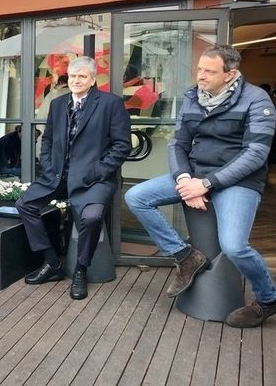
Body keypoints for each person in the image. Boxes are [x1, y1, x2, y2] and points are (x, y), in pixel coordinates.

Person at [125, 45, 276, 328]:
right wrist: (184, 179)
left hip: (238, 181)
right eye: (199, 69)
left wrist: (205, 184)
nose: (201, 76)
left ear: (230, 74)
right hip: (194, 175)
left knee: (234, 246)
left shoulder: (257, 99)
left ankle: (268, 299)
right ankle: (185, 256)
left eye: (209, 71)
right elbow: (178, 143)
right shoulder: (192, 96)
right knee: (136, 196)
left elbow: (256, 154)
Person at [16, 56, 131, 300]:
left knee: (91, 217)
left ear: (93, 79)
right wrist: (48, 166)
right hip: (58, 176)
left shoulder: (110, 103)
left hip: (94, 179)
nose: (76, 80)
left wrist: (98, 171)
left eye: (82, 76)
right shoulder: (58, 104)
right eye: (72, 76)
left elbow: (122, 146)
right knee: (25, 205)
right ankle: (51, 263)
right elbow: (47, 140)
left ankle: (80, 269)